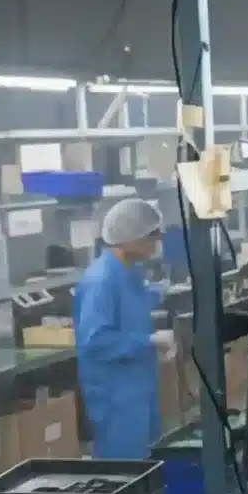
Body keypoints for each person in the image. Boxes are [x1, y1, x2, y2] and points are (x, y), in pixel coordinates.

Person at [75, 197, 173, 459]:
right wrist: (150, 340)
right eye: (151, 236)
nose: (156, 243)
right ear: (130, 237)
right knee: (123, 470)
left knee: (149, 464)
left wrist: (162, 294)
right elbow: (95, 340)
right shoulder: (101, 280)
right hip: (116, 397)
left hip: (139, 387)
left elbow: (134, 301)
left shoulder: (129, 271)